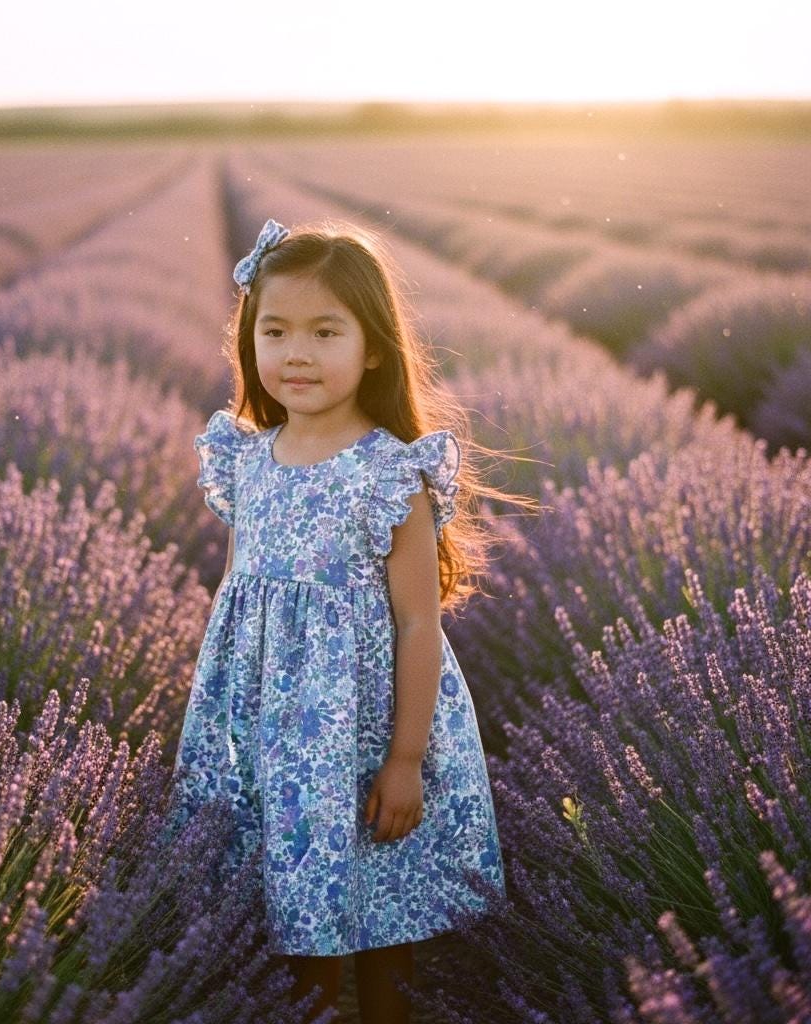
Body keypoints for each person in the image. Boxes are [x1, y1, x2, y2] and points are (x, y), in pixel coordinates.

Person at [164, 217, 539, 1024]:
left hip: (362, 729)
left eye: (325, 332)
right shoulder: (247, 460)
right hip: (272, 727)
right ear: (248, 342)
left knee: (376, 911)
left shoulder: (389, 472)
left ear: (373, 348)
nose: (296, 353)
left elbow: (416, 623)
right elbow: (240, 594)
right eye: (275, 331)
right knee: (286, 907)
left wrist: (405, 759)